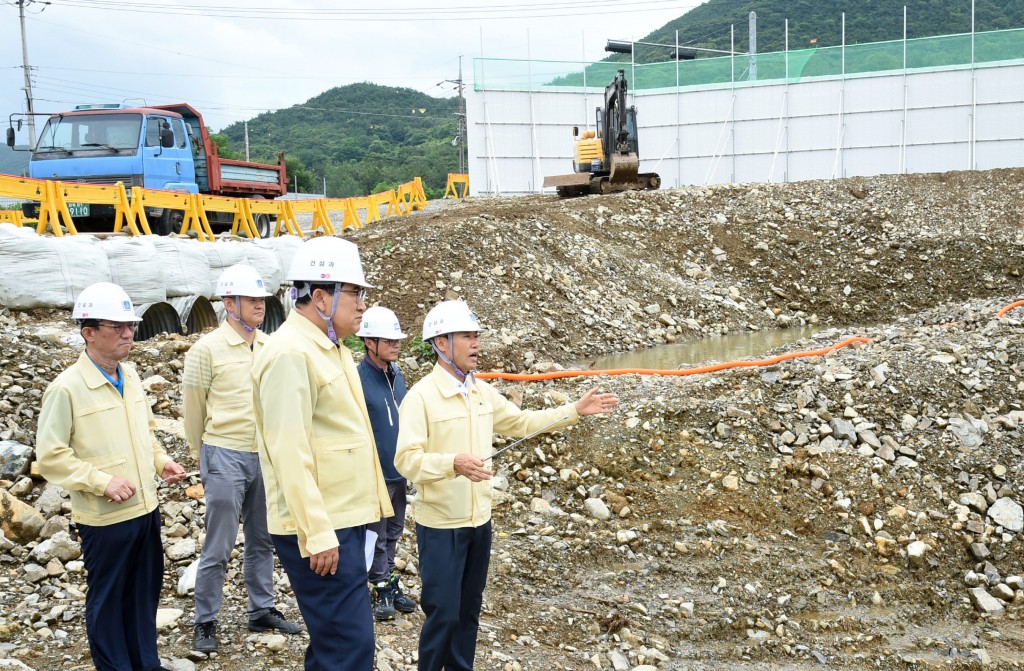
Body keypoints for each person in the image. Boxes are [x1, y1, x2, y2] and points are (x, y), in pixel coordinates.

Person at [395, 300, 620, 671]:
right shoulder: (421, 397)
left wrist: (573, 412)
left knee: (468, 614)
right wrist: (452, 464)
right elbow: (406, 460)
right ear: (441, 343)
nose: (476, 344)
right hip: (441, 527)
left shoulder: (481, 392)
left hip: (479, 524)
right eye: (467, 336)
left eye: (476, 336)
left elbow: (521, 423)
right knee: (443, 615)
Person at [252, 236, 394, 670]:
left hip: (344, 520)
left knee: (336, 643)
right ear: (320, 296)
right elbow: (289, 452)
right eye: (355, 293)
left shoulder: (329, 348)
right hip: (322, 529)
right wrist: (316, 534)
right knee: (348, 650)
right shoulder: (291, 355)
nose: (363, 304)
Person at [36, 282, 188, 671]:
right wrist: (102, 482)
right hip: (105, 519)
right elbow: (51, 458)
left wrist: (161, 462)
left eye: (131, 326)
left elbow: (146, 432)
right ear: (88, 332)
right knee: (108, 598)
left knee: (143, 594)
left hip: (146, 507)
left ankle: (145, 663)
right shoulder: (66, 389)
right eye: (117, 326)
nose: (128, 333)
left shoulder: (131, 375)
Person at [183, 264, 302, 654]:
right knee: (217, 545)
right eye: (250, 300)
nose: (259, 306)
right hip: (224, 453)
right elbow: (194, 411)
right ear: (228, 303)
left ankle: (261, 608)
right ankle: (205, 621)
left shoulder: (268, 346)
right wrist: (202, 457)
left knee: (263, 539)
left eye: (261, 300)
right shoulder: (207, 350)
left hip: (263, 455)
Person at [356, 306, 417, 621]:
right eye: (389, 339)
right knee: (375, 533)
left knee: (394, 530)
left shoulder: (398, 377)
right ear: (369, 342)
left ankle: (388, 580)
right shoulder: (357, 380)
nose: (396, 344)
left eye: (397, 339)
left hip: (399, 472)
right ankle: (379, 585)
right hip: (373, 474)